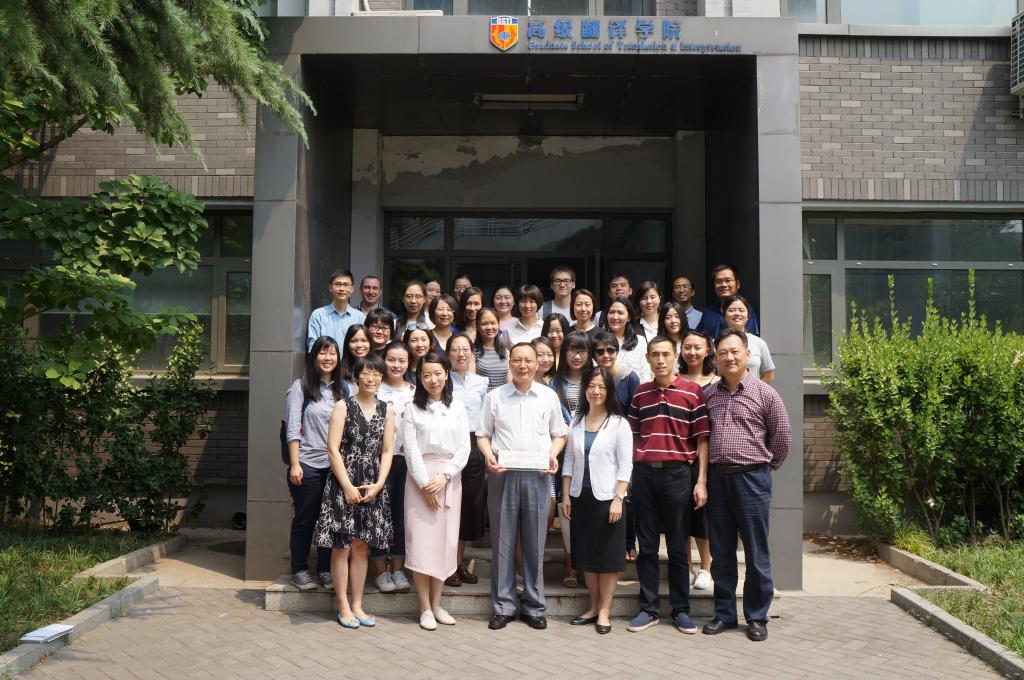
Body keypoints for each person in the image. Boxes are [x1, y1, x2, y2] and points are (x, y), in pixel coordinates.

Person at [702, 329, 791, 642]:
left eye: (734, 351)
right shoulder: (709, 395)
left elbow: (782, 437)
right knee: (722, 551)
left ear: (748, 355)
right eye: (722, 353)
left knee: (756, 552)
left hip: (752, 478)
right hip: (718, 479)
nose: (729, 357)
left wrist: (765, 468)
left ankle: (756, 616)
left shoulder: (766, 394)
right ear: (716, 358)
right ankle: (724, 614)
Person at [478, 343, 568, 631]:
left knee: (534, 543)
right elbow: (483, 434)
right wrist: (488, 456)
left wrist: (553, 454)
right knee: (502, 542)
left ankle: (534, 606)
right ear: (510, 363)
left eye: (528, 360)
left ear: (537, 363)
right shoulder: (495, 397)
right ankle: (503, 607)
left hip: (537, 475)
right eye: (517, 360)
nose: (523, 365)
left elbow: (559, 434)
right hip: (502, 474)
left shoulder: (548, 396)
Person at [626, 336, 710, 635]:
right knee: (647, 547)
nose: (660, 360)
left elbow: (702, 440)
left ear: (675, 357)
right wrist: (630, 475)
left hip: (678, 475)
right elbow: (633, 436)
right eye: (654, 354)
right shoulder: (640, 393)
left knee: (677, 547)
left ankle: (681, 610)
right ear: (647, 358)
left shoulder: (693, 392)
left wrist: (701, 481)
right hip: (644, 474)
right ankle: (648, 609)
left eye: (665, 354)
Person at [314, 354, 395, 630]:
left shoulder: (387, 410)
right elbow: (332, 449)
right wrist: (347, 486)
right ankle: (343, 605)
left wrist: (379, 484)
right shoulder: (343, 406)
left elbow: (387, 450)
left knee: (361, 546)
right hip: (343, 482)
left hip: (372, 483)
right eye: (366, 373)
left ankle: (358, 604)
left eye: (377, 373)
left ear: (382, 377)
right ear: (357, 376)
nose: (371, 378)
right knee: (342, 546)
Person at [561, 367, 633, 635]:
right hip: (581, 498)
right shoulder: (576, 422)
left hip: (608, 500)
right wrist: (566, 495)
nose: (596, 391)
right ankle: (592, 607)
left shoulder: (619, 424)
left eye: (602, 386)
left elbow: (626, 465)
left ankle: (605, 611)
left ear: (609, 391)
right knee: (587, 556)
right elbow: (568, 461)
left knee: (607, 559)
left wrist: (618, 498)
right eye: (592, 386)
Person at [403, 352, 471, 630]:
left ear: (446, 374)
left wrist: (444, 476)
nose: (433, 379)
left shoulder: (458, 408)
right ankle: (424, 607)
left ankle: (437, 604)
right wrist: (425, 484)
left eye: (438, 373)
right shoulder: (411, 409)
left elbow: (464, 448)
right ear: (419, 378)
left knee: (445, 543)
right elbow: (410, 450)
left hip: (449, 480)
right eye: (426, 375)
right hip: (419, 480)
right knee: (421, 543)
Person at [285, 336, 345, 592]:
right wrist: (294, 463)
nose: (328, 358)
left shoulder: (343, 389)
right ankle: (299, 570)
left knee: (329, 521)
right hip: (307, 464)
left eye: (332, 353)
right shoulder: (300, 387)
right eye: (323, 353)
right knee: (305, 520)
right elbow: (292, 428)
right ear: (314, 356)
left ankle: (324, 570)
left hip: (334, 466)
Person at [591, 330, 641, 562]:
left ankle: (629, 543)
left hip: (624, 442)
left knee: (625, 494)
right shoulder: (593, 378)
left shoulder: (629, 378)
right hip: (597, 443)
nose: (605, 355)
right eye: (600, 351)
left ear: (617, 351)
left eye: (610, 350)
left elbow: (636, 415)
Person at [548, 330, 593, 588]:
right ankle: (570, 564)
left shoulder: (595, 379)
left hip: (592, 452)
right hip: (564, 452)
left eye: (582, 350)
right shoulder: (555, 383)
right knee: (566, 507)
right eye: (572, 350)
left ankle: (588, 563)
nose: (577, 356)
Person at [371, 341, 416, 594]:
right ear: (383, 360)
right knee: (379, 515)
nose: (396, 365)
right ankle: (381, 571)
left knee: (402, 516)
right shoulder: (375, 388)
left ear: (409, 363)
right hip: (379, 461)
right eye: (391, 359)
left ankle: (398, 569)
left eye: (402, 360)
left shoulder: (415, 391)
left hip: (407, 461)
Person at [446, 333, 489, 587]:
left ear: (472, 353)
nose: (461, 354)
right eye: (455, 349)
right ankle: (445, 565)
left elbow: (485, 419)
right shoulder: (442, 379)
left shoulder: (481, 382)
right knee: (447, 506)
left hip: (473, 445)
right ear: (448, 353)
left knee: (467, 507)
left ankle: (457, 563)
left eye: (465, 349)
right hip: (447, 445)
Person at [679, 329, 720, 592]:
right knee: (680, 515)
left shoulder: (717, 383)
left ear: (707, 351)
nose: (692, 352)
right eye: (687, 347)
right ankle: (686, 566)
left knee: (702, 515)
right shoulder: (674, 380)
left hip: (709, 458)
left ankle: (706, 567)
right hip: (680, 458)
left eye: (697, 347)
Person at [307, 269, 366, 350]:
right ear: (330, 287)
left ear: (352, 289)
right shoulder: (318, 315)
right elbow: (313, 347)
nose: (342, 288)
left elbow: (363, 347)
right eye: (338, 284)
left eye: (346, 285)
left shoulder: (360, 317)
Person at [722, 295, 775, 384]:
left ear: (747, 316)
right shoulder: (716, 343)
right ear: (724, 315)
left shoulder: (759, 343)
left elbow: (768, 375)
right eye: (732, 310)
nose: (737, 313)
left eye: (741, 310)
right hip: (723, 392)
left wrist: (754, 389)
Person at [698, 264, 760, 338]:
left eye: (728, 280)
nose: (723, 285)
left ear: (738, 284)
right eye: (718, 281)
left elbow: (750, 338)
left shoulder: (745, 311)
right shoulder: (708, 312)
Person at [600, 296, 650, 382]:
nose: (615, 317)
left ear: (629, 317)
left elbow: (645, 375)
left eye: (620, 313)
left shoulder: (640, 341)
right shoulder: (599, 341)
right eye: (611, 312)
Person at [474, 308, 510, 391]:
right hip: (484, 397)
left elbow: (509, 380)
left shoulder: (505, 350)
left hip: (503, 396)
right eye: (484, 324)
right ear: (478, 327)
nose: (489, 327)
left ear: (498, 325)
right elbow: (472, 383)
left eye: (493, 323)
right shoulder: (473, 351)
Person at [339, 324, 372, 395]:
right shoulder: (338, 370)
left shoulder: (378, 367)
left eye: (364, 340)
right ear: (347, 344)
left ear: (370, 343)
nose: (359, 345)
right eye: (354, 341)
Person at [658, 301, 689, 366]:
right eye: (668, 317)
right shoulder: (657, 344)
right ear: (662, 321)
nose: (673, 321)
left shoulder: (690, 341)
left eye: (677, 316)